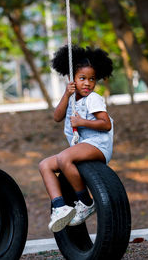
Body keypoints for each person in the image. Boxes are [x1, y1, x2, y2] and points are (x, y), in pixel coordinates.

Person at [39, 45, 114, 232]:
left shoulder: (93, 99)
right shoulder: (72, 100)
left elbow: (106, 124)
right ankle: (60, 207)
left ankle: (86, 202)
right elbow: (57, 117)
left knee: (65, 158)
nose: (87, 83)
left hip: (97, 145)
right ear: (72, 79)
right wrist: (66, 94)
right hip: (81, 147)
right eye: (82, 79)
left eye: (91, 79)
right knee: (45, 165)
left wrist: (82, 122)